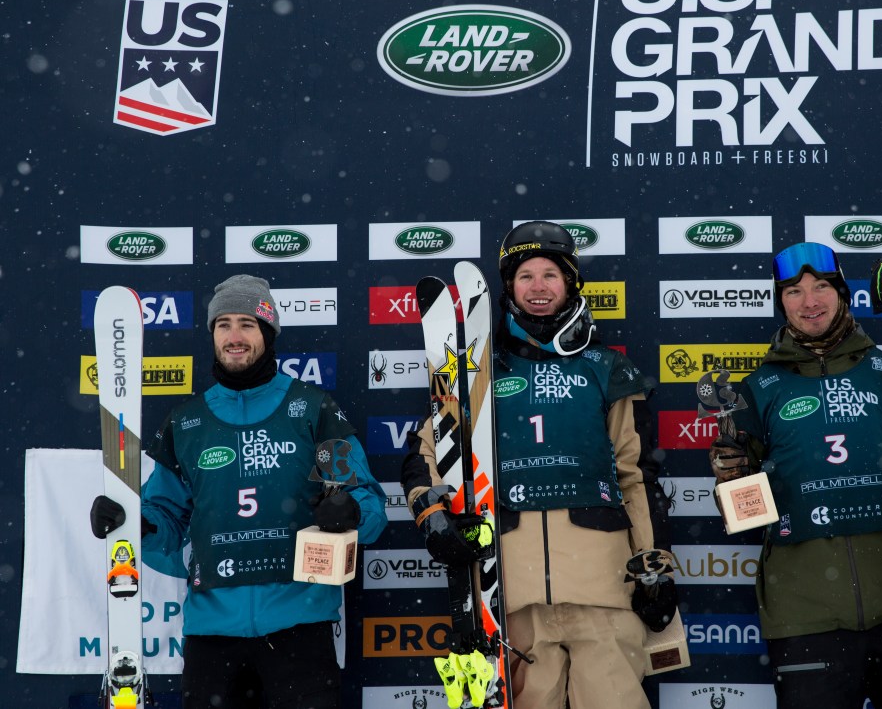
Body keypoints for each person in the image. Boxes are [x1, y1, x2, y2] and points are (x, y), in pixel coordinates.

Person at [401, 221, 676, 709]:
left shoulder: (608, 369)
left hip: (605, 586)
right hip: (512, 591)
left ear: (570, 283)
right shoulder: (477, 371)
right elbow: (427, 455)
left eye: (551, 274)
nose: (538, 287)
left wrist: (655, 571)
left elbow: (637, 477)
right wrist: (432, 516)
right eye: (525, 275)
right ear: (509, 286)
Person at [90, 274, 387, 709]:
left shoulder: (310, 411)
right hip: (213, 637)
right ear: (212, 334)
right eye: (223, 324)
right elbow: (167, 521)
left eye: (247, 324)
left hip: (300, 627)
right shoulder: (187, 423)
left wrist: (350, 513)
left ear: (267, 333)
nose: (234, 336)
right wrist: (131, 526)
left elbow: (369, 503)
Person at [710, 242, 882, 709]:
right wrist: (731, 477)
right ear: (781, 302)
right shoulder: (756, 391)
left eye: (821, 288)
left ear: (842, 294)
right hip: (805, 613)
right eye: (794, 292)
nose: (810, 302)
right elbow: (746, 519)